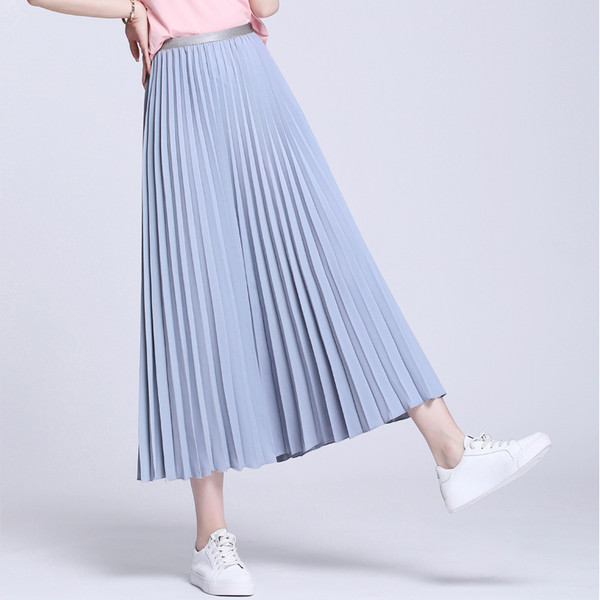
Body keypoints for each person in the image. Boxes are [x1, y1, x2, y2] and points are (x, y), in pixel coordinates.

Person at [26, 0, 552, 596]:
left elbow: (265, 5)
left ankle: (451, 448)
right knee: (198, 295)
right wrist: (127, 7)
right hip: (182, 86)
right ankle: (210, 538)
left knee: (332, 260)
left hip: (253, 78)